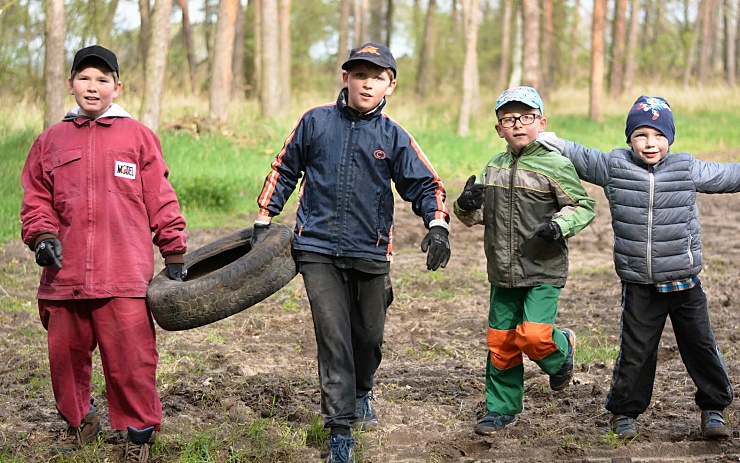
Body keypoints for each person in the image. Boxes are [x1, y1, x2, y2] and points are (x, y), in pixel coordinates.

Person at [252, 42, 451, 462]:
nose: (367, 83)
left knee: (368, 337)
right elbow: (284, 167)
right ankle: (339, 429)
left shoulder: (393, 136)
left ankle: (363, 390)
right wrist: (264, 219)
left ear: (390, 86)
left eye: (377, 77)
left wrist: (437, 225)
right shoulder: (315, 122)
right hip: (317, 248)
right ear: (346, 78)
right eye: (360, 74)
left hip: (372, 250)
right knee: (334, 338)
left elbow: (425, 184)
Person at [20, 45, 187, 463]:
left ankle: (138, 437)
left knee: (131, 361)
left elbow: (161, 198)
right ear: (70, 83)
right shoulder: (50, 141)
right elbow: (36, 199)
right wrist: (41, 237)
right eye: (84, 78)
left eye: (102, 79)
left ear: (117, 86)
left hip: (123, 274)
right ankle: (81, 423)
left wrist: (175, 252)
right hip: (65, 275)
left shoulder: (138, 137)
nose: (92, 87)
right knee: (65, 360)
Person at [539, 95, 737, 440]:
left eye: (659, 136)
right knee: (635, 351)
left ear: (670, 140)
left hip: (684, 282)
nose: (650, 143)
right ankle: (625, 412)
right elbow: (583, 157)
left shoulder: (685, 168)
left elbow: (728, 175)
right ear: (629, 138)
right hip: (639, 284)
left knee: (701, 346)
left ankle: (714, 408)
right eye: (642, 135)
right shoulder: (615, 167)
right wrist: (554, 142)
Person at [454, 86, 595, 435]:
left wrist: (559, 226)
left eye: (526, 117)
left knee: (533, 336)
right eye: (508, 118)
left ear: (541, 122)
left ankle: (561, 350)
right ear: (499, 128)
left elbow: (583, 206)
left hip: (543, 268)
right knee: (501, 342)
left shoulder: (556, 165)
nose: (518, 124)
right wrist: (465, 204)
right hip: (501, 272)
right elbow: (475, 217)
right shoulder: (494, 167)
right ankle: (500, 409)